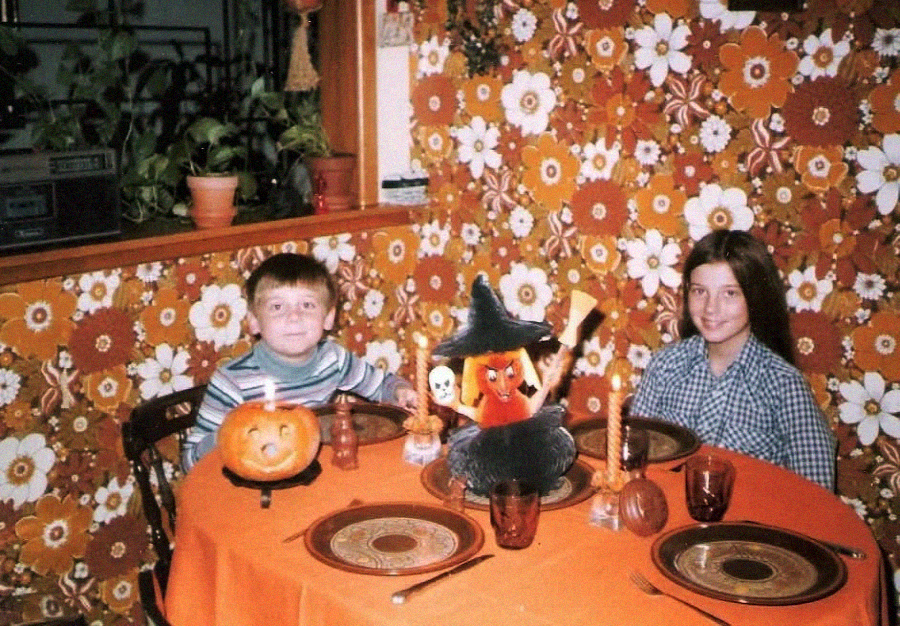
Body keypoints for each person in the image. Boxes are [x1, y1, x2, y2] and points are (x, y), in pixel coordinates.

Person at [630, 230, 836, 490]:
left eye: (730, 293)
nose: (710, 308)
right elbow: (633, 461)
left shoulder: (783, 385)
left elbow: (816, 498)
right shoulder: (665, 366)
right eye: (699, 291)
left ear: (756, 298)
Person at [182, 252, 416, 471]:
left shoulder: (333, 359)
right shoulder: (232, 381)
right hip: (256, 482)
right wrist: (232, 433)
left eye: (307, 305)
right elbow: (190, 460)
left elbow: (382, 386)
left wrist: (400, 392)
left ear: (328, 318)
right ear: (253, 321)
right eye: (277, 306)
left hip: (316, 473)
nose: (294, 316)